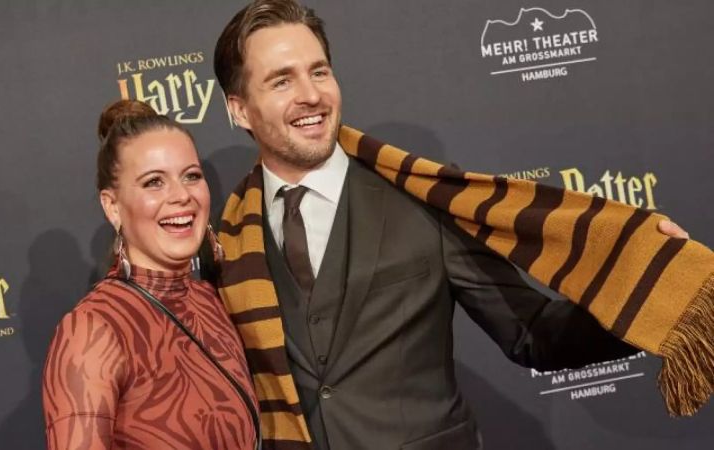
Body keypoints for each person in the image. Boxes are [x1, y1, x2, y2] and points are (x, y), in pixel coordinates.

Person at [212, 1, 692, 449]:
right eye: (281, 81)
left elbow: (534, 334)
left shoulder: (423, 199)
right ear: (238, 109)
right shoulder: (226, 238)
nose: (311, 94)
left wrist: (648, 289)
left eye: (319, 72)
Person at [41, 100, 259, 449]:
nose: (181, 196)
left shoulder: (210, 299)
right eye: (154, 182)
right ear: (112, 206)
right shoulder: (93, 328)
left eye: (191, 176)